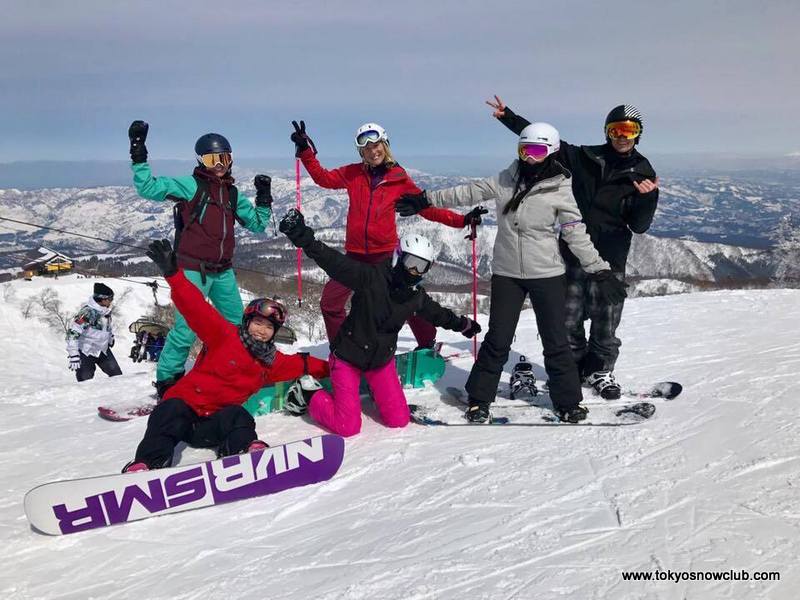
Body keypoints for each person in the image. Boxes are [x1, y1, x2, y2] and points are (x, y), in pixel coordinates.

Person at [395, 123, 626, 423]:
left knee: (555, 340)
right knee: (498, 339)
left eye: (537, 150)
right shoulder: (506, 179)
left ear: (551, 152)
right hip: (507, 273)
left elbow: (575, 233)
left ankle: (568, 402)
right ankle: (479, 399)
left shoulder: (560, 188)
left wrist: (600, 270)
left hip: (547, 274)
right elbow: (467, 192)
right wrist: (425, 199)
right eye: (524, 150)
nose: (529, 157)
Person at [486, 97, 659, 399]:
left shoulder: (642, 171)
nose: (622, 137)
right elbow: (545, 142)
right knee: (568, 320)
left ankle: (601, 370)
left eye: (629, 131)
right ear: (607, 131)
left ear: (638, 134)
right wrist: (509, 117)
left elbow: (639, 225)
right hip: (570, 253)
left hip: (610, 258)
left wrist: (647, 199)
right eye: (617, 129)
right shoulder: (585, 157)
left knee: (606, 321)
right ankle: (574, 370)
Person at [122, 240, 330, 473]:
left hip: (214, 425)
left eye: (269, 327)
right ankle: (148, 463)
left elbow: (304, 364)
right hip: (184, 415)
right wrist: (174, 275)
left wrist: (341, 367)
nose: (262, 330)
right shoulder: (223, 336)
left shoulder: (272, 362)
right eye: (257, 323)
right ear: (247, 322)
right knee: (167, 411)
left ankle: (247, 451)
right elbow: (195, 308)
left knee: (238, 415)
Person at [278, 209, 480, 437]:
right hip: (347, 358)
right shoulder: (370, 278)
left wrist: (462, 325)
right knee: (348, 427)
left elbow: (439, 314)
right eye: (411, 262)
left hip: (380, 362)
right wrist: (303, 236)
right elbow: (334, 262)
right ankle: (308, 394)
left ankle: (377, 394)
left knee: (399, 421)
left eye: (421, 266)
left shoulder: (415, 296)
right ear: (398, 257)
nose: (414, 271)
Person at [289, 120, 486, 349]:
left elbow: (427, 209)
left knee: (406, 301)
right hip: (354, 256)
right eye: (367, 148)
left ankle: (426, 343)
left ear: (386, 145)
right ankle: (341, 348)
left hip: (385, 257)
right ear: (361, 152)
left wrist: (462, 220)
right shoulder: (352, 173)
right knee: (330, 303)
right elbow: (323, 178)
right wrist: (305, 151)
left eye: (377, 145)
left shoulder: (399, 179)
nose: (373, 151)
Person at [128, 120, 274, 398]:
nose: (219, 164)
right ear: (201, 160)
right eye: (212, 158)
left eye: (224, 158)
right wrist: (138, 152)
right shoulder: (190, 186)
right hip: (192, 270)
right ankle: (168, 382)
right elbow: (148, 187)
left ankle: (235, 370)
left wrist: (264, 199)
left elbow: (256, 224)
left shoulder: (231, 194)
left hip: (223, 272)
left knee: (236, 327)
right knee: (186, 329)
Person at [66, 283, 123, 382]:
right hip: (86, 351)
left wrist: (110, 338)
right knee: (85, 380)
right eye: (110, 299)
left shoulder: (105, 311)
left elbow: (107, 328)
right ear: (103, 299)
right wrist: (74, 354)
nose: (111, 301)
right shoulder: (87, 312)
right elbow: (73, 333)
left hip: (102, 350)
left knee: (117, 375)